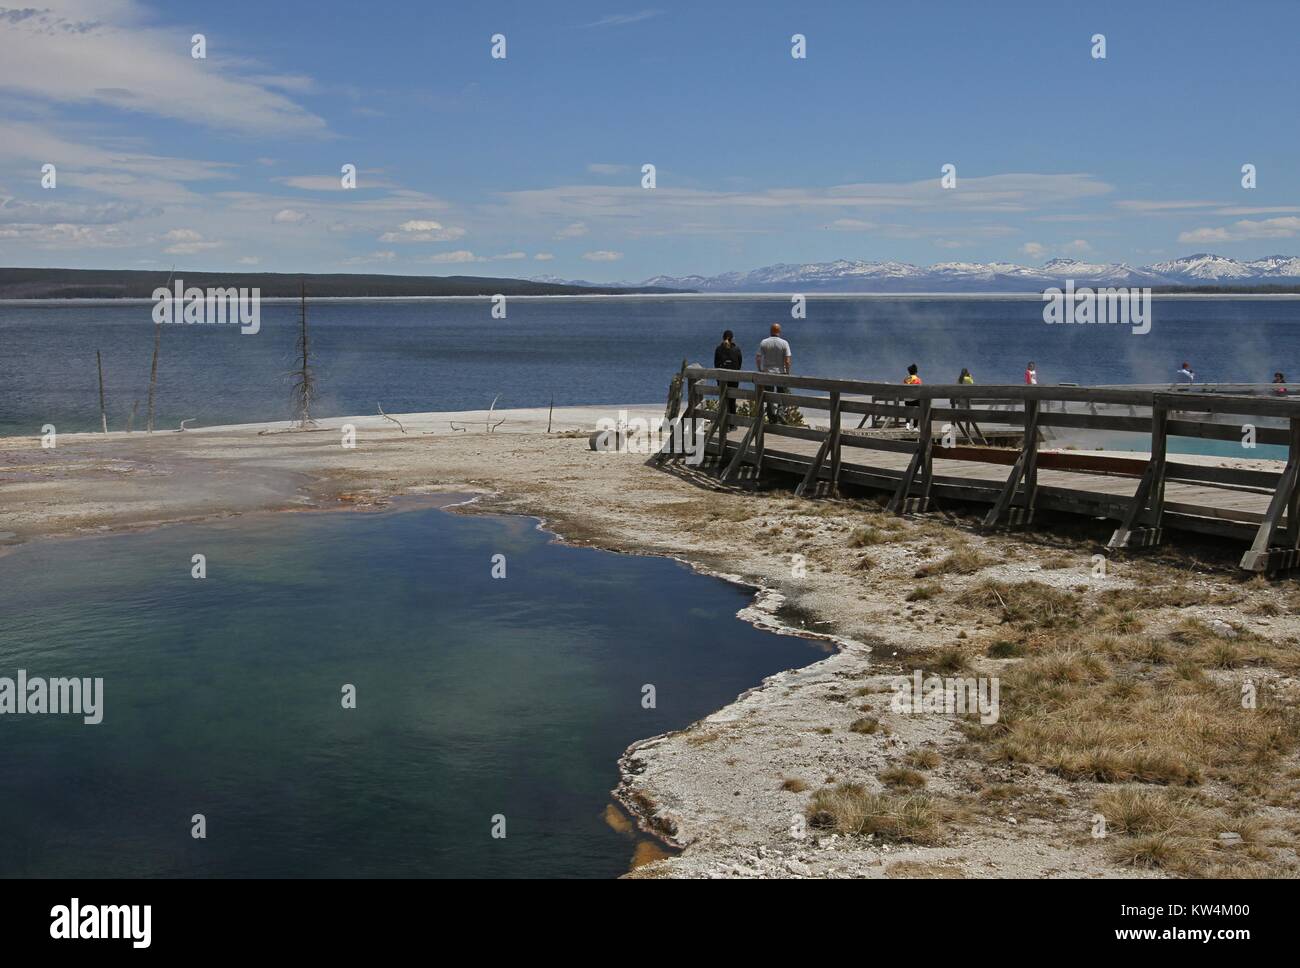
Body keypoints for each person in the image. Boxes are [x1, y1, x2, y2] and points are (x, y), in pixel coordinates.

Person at [755, 323, 792, 423]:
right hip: (781, 372)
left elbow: (758, 358)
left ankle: (772, 418)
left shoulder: (764, 342)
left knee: (769, 396)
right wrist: (787, 372)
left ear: (770, 331)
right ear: (779, 331)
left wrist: (760, 369)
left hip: (768, 373)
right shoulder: (784, 343)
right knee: (784, 394)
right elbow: (787, 361)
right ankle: (780, 412)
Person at [713, 329, 742, 413]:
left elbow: (716, 365)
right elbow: (739, 364)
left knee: (723, 400)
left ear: (723, 338)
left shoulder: (718, 349)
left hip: (722, 379)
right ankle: (732, 424)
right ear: (732, 338)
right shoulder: (737, 349)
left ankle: (723, 422)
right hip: (734, 379)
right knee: (732, 401)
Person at [903, 363, 922, 429]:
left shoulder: (906, 379)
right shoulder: (918, 380)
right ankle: (915, 427)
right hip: (915, 399)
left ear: (909, 371)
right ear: (916, 371)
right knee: (916, 411)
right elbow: (919, 390)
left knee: (908, 411)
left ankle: (907, 424)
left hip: (907, 400)